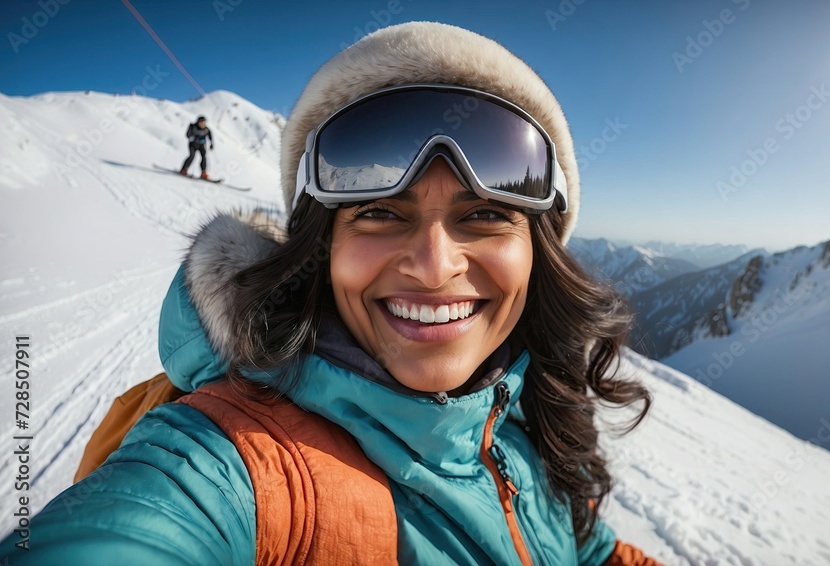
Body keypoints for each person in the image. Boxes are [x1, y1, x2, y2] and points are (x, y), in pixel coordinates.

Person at [1, 22, 660, 564]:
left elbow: (592, 550)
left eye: (483, 215)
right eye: (380, 212)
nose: (434, 267)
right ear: (321, 249)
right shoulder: (248, 467)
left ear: (538, 253)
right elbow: (141, 527)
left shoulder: (523, 418)